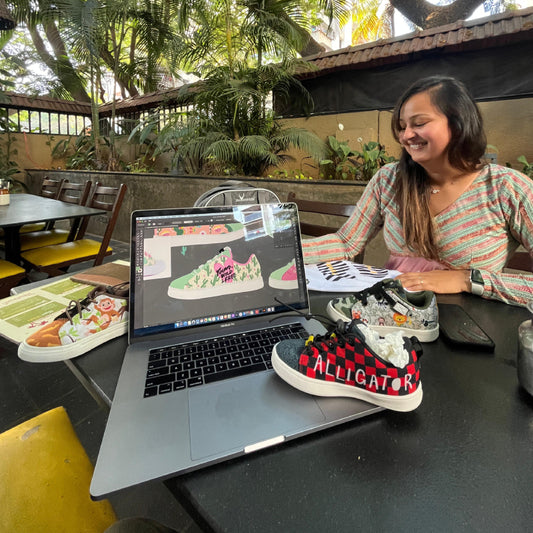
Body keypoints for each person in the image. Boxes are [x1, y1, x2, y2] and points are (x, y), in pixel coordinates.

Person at [302, 75, 533, 307]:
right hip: (389, 315)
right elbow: (346, 243)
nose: (406, 135)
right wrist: (286, 251)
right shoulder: (389, 180)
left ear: (458, 123)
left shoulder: (507, 188)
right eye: (402, 127)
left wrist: (467, 279)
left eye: (419, 123)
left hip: (469, 322)